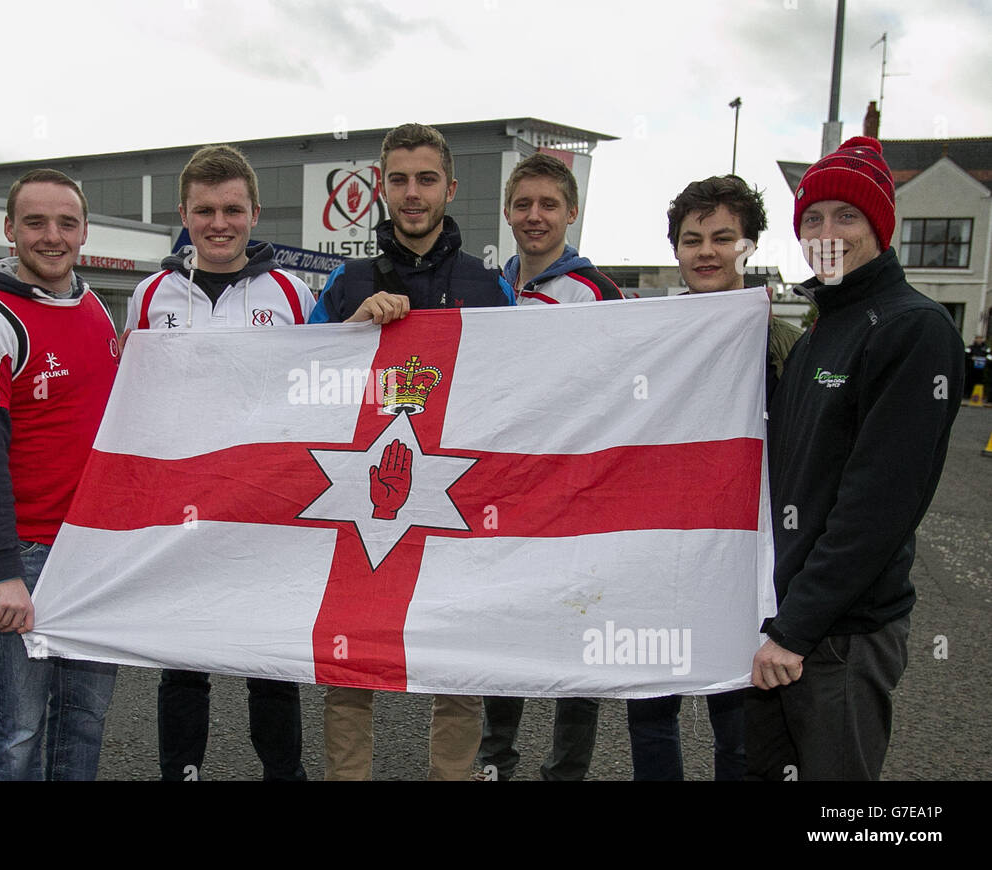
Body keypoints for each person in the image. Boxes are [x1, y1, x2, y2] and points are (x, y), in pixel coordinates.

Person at [747, 137, 964, 780]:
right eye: (812, 218)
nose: (826, 231)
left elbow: (879, 504)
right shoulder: (823, 326)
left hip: (839, 633)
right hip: (784, 616)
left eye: (847, 216)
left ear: (880, 227)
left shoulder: (913, 329)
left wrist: (796, 629)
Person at [309, 122, 516, 780]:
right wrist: (349, 330)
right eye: (398, 179)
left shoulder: (489, 286)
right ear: (381, 186)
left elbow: (525, 389)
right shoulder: (346, 282)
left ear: (450, 187)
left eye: (426, 179)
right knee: (348, 666)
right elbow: (302, 385)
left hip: (457, 497)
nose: (412, 192)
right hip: (360, 496)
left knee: (454, 664)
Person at [126, 145, 314, 781]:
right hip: (183, 506)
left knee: (269, 659)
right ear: (184, 213)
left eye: (232, 209)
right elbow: (135, 400)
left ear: (255, 213)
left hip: (266, 503)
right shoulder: (151, 296)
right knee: (183, 658)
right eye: (204, 210)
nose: (219, 223)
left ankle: (282, 774)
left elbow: (314, 391)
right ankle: (181, 772)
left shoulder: (291, 291)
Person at [619, 174, 799, 781]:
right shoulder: (646, 338)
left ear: (749, 246)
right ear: (675, 249)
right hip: (658, 552)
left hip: (745, 561)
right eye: (693, 238)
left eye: (724, 238)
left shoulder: (787, 347)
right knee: (650, 713)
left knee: (741, 722)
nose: (706, 252)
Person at [0, 169, 121, 780]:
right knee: (18, 729)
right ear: (9, 230)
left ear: (84, 230)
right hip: (28, 554)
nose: (52, 237)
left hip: (93, 551)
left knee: (85, 719)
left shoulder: (94, 305)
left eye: (66, 223)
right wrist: (1, 573)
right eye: (35, 223)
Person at [475, 152, 622, 781]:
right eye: (524, 204)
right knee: (502, 627)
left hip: (574, 493)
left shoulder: (597, 292)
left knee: (573, 633)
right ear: (507, 212)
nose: (535, 216)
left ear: (572, 212)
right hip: (500, 490)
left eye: (549, 205)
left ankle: (566, 770)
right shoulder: (487, 288)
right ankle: (495, 756)